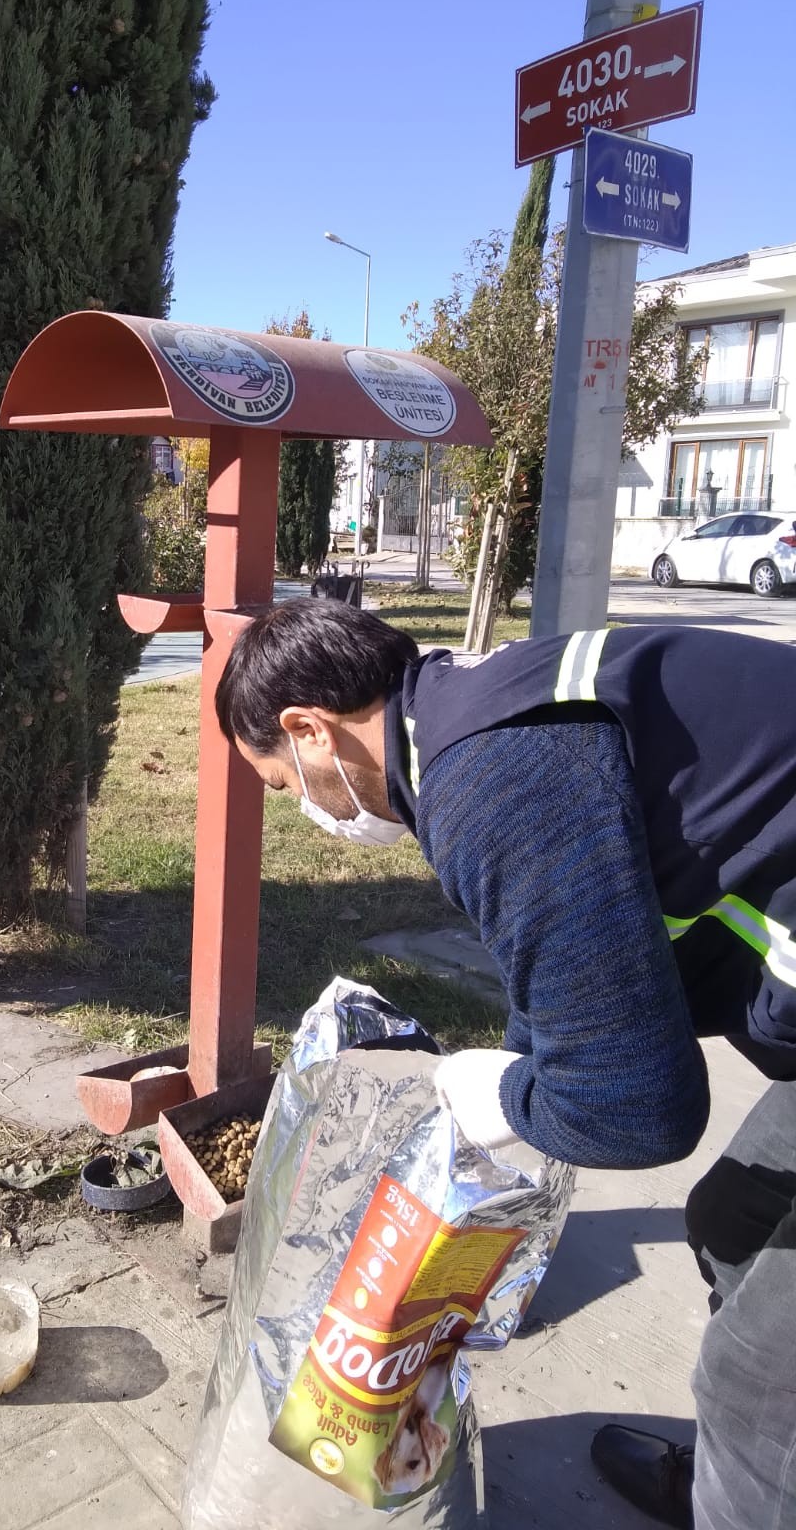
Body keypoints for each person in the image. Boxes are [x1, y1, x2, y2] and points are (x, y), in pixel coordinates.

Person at [213, 597, 796, 1530]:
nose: (306, 811)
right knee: (738, 1216)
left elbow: (638, 1109)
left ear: (309, 732)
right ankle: (752, 1486)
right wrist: (524, 1064)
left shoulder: (493, 779)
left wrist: (511, 1095)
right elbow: (592, 945)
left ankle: (756, 1490)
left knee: (756, 1382)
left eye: (284, 787)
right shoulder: (480, 711)